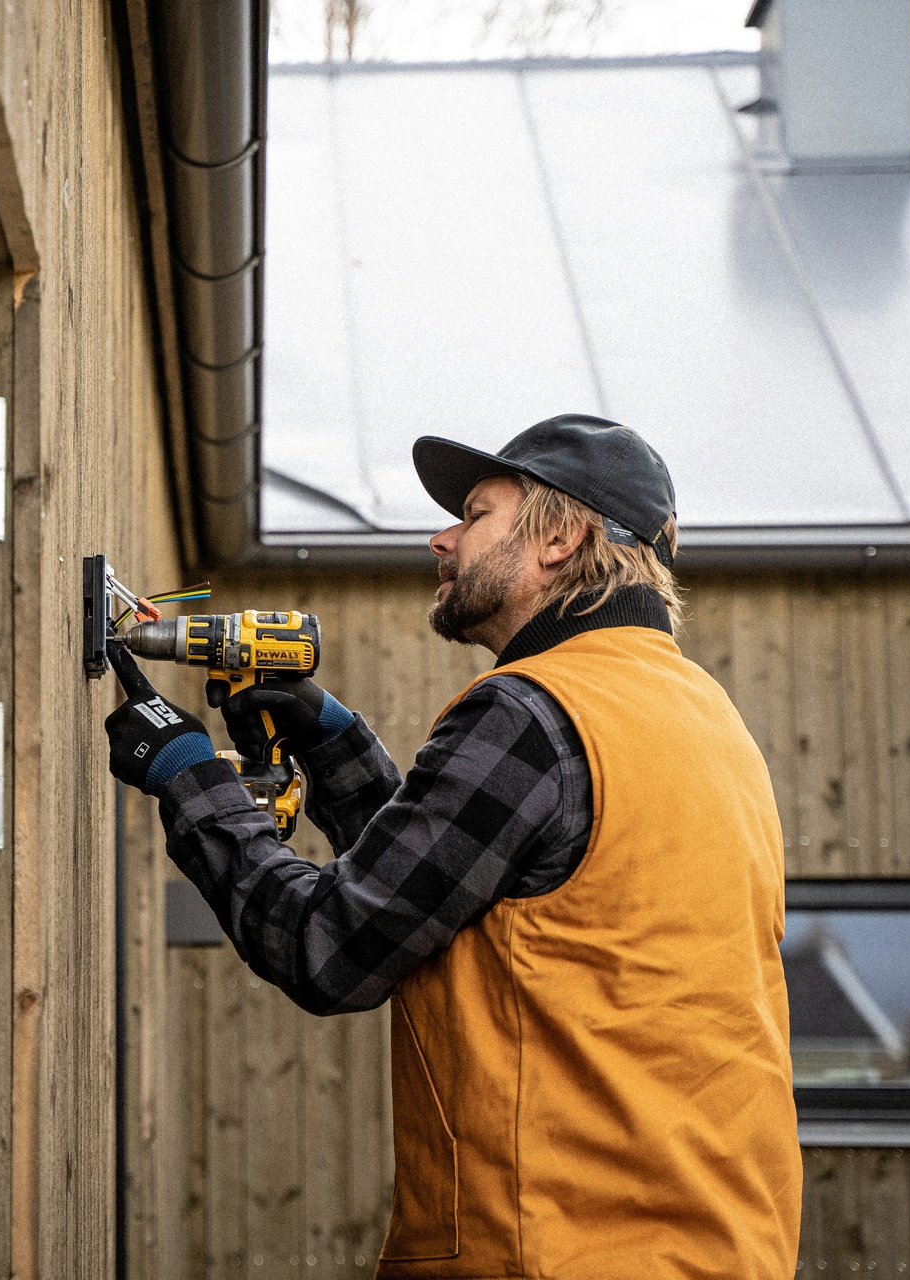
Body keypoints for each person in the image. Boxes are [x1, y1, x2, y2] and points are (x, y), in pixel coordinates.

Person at [103, 415, 802, 1279]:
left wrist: (188, 776)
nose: (442, 537)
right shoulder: (706, 722)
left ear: (561, 538)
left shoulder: (531, 711)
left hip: (546, 1255)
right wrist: (331, 741)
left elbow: (332, 947)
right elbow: (459, 907)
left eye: (475, 514)